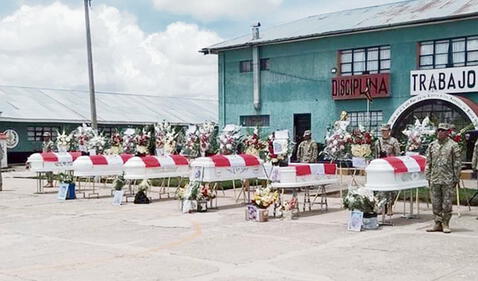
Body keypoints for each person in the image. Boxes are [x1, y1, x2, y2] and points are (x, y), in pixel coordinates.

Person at [426, 123, 461, 233]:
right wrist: (428, 176)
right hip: (435, 178)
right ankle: (437, 223)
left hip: (447, 179)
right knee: (435, 202)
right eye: (439, 130)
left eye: (443, 130)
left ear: (447, 132)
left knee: (447, 203)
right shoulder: (432, 145)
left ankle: (445, 223)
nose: (440, 132)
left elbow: (457, 163)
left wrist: (456, 178)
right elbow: (428, 162)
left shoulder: (453, 145)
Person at [374, 124, 401, 213]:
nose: (383, 133)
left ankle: (389, 206)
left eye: (385, 131)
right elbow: (375, 156)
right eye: (382, 131)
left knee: (391, 189)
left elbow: (398, 155)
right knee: (380, 188)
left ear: (389, 131)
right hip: (380, 168)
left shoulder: (394, 141)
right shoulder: (378, 142)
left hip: (390, 168)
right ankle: (381, 206)